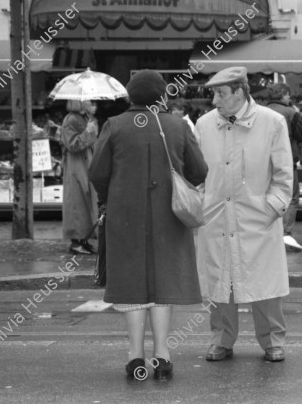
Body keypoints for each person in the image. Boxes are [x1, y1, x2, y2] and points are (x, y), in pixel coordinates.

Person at [89, 70, 208, 381]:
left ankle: (135, 356)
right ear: (161, 95)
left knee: (131, 284)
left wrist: (109, 197)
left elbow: (97, 172)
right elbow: (199, 170)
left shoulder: (114, 125)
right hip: (169, 214)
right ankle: (163, 354)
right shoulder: (177, 125)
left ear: (130, 96)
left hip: (124, 215)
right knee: (164, 283)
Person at [194, 66, 293, 363]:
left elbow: (284, 175)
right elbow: (196, 173)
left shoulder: (272, 122)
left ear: (240, 91)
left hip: (257, 218)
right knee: (220, 286)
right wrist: (200, 203)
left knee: (264, 285)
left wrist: (272, 207)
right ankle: (221, 339)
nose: (215, 100)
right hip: (216, 216)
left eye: (221, 93)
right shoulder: (204, 124)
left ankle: (273, 340)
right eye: (213, 93)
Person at [266, 83, 302, 252]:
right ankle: (285, 233)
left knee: (268, 195)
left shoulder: (259, 112)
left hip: (263, 160)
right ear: (284, 95)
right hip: (286, 160)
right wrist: (297, 112)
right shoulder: (291, 112)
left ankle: (270, 232)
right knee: (291, 196)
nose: (289, 98)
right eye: (288, 96)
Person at [60, 99, 99, 255]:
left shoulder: (84, 117)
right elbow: (72, 145)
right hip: (77, 166)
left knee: (86, 202)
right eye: (90, 101)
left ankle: (83, 239)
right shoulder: (70, 119)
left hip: (85, 164)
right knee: (77, 203)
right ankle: (76, 242)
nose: (92, 104)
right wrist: (89, 132)